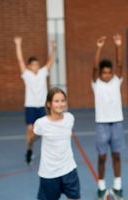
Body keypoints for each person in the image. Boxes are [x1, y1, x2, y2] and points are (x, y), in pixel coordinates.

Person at [91, 34, 125, 200]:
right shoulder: (96, 84)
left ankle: (118, 187)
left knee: (116, 155)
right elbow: (94, 68)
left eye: (109, 73)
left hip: (117, 123)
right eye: (104, 73)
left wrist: (118, 45)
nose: (106, 75)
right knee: (102, 157)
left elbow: (120, 65)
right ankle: (101, 187)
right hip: (101, 125)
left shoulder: (116, 81)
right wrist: (99, 48)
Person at [13, 36, 56, 164]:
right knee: (30, 130)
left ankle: (48, 152)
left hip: (42, 107)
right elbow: (20, 60)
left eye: (37, 64)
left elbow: (50, 62)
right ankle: (29, 150)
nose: (36, 66)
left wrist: (53, 48)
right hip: (30, 106)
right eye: (34, 65)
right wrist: (18, 44)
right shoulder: (26, 74)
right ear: (29, 66)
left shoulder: (43, 72)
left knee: (44, 130)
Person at [33, 87, 80, 200]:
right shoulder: (41, 123)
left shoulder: (70, 118)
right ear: (49, 104)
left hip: (69, 170)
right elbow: (34, 134)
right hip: (49, 174)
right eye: (56, 101)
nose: (60, 104)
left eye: (63, 101)